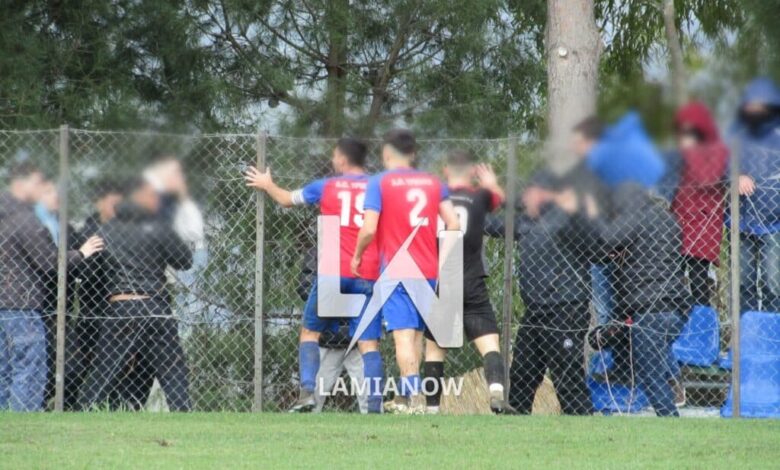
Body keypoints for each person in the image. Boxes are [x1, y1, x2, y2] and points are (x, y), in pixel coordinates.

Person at [245, 137, 385, 413]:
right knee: (369, 342)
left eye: (335, 156)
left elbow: (286, 200)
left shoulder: (326, 186)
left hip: (333, 271)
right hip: (367, 272)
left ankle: (308, 392)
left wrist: (267, 184)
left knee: (310, 332)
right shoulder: (377, 187)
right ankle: (374, 404)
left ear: (343, 159)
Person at [352, 129, 460, 414]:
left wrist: (358, 254)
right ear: (413, 154)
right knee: (415, 338)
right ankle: (409, 398)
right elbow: (452, 223)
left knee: (402, 335)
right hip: (427, 269)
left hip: (397, 269)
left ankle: (411, 401)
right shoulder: (433, 183)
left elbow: (369, 228)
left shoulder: (380, 183)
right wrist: (442, 259)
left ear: (387, 154)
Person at [564, 183, 691, 417]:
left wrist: (592, 213)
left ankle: (671, 422)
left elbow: (604, 241)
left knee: (650, 375)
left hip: (649, 308)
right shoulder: (669, 220)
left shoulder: (635, 219)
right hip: (676, 307)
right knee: (652, 356)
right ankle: (667, 385)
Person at [78, 177, 193, 411]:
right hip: (155, 306)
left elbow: (89, 272)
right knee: (173, 372)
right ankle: (183, 413)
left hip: (120, 307)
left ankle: (86, 410)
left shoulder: (105, 230)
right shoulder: (159, 225)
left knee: (104, 371)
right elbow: (184, 260)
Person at [0, 163, 103, 411]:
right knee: (30, 366)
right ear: (22, 184)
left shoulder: (7, 218)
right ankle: (24, 418)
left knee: (4, 368)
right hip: (23, 305)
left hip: (5, 305)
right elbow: (48, 262)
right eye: (39, 185)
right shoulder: (25, 220)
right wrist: (82, 253)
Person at [506, 156, 604, 416]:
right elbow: (495, 224)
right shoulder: (528, 223)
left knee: (567, 376)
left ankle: (582, 429)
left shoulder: (570, 218)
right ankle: (512, 428)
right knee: (522, 374)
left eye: (531, 192)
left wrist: (575, 208)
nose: (525, 198)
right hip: (535, 311)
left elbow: (598, 244)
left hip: (565, 308)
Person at [421, 150, 509, 414]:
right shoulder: (479, 196)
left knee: (435, 350)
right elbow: (500, 199)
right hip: (472, 278)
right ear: (472, 172)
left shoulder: (435, 196)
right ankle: (496, 392)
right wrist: (491, 183)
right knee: (489, 343)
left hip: (443, 279)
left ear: (446, 171)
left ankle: (432, 409)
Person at [65, 180, 124, 409]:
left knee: (119, 366)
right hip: (94, 310)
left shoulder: (126, 229)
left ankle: (117, 407)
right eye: (113, 203)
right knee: (84, 366)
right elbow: (83, 273)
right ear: (100, 202)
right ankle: (75, 407)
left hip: (117, 310)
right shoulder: (90, 231)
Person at [670, 102, 729, 308]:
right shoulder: (681, 153)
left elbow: (708, 178)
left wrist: (691, 152)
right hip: (680, 223)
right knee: (671, 278)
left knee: (698, 279)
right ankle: (678, 323)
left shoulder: (717, 149)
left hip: (702, 225)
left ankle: (701, 325)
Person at [731, 78, 780, 313]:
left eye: (760, 104)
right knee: (744, 285)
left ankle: (773, 341)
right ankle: (745, 340)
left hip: (775, 224)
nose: (754, 109)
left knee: (774, 285)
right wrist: (737, 175)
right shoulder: (736, 132)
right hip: (741, 222)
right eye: (751, 104)